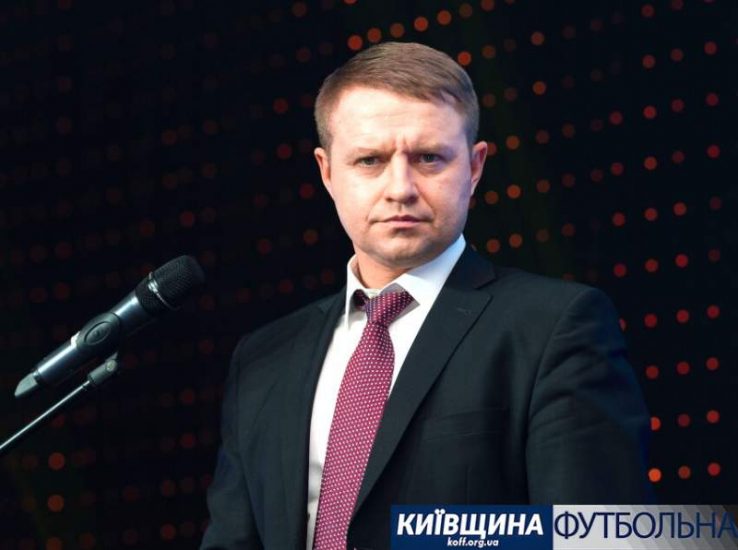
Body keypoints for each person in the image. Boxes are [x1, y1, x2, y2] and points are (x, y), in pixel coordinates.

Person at [201, 42, 652, 550]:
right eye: (369, 160)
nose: (401, 188)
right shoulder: (263, 358)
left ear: (475, 167)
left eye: (429, 158)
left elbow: (598, 538)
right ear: (327, 172)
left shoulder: (554, 327)